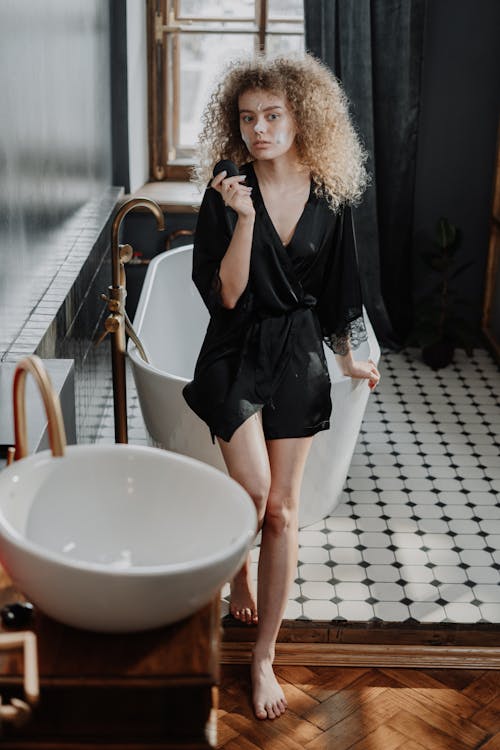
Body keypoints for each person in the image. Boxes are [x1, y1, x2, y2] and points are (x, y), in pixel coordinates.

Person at [183, 52, 381, 721]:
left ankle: (262, 653)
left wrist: (348, 356)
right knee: (254, 491)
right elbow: (229, 296)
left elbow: (340, 285)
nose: (260, 129)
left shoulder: (330, 191)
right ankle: (238, 576)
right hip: (236, 349)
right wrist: (241, 219)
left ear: (302, 116)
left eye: (273, 115)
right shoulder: (227, 185)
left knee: (282, 512)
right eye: (248, 119)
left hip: (297, 351)